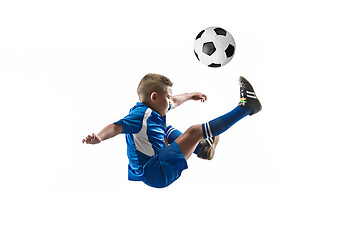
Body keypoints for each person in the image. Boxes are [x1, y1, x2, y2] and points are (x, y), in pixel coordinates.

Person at [82, 73, 261, 188]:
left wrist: (191, 96)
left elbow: (175, 101)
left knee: (163, 128)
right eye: (167, 97)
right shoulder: (141, 115)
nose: (171, 102)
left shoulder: (152, 110)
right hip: (156, 170)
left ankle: (203, 149)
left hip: (152, 169)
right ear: (154, 97)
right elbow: (116, 127)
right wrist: (99, 136)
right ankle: (246, 107)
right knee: (194, 132)